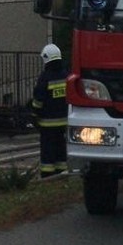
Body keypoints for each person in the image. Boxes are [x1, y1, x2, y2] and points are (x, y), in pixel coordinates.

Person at [31, 42, 69, 177]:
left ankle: (47, 175)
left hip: (47, 124)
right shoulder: (66, 75)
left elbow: (38, 100)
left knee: (48, 151)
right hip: (64, 122)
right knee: (61, 149)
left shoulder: (45, 77)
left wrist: (34, 113)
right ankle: (62, 172)